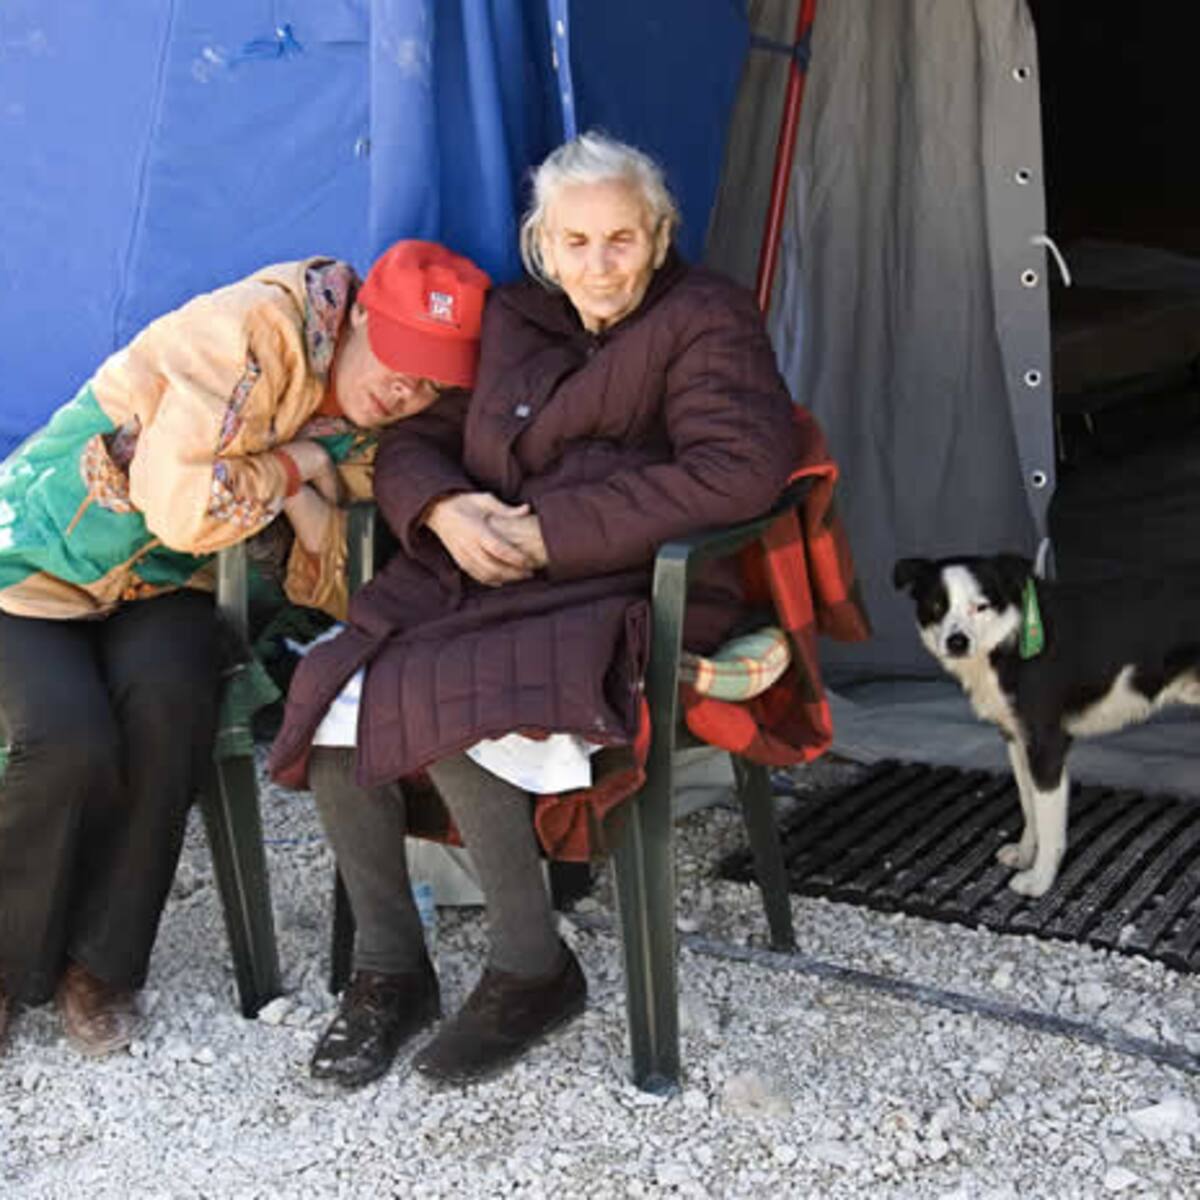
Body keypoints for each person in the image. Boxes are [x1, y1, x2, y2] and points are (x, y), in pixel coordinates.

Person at [269, 131, 817, 1089]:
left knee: (449, 687)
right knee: (335, 691)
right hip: (486, 574)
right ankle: (390, 971)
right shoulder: (515, 316)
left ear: (657, 236)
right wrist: (443, 506)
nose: (599, 265)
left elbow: (739, 471)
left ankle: (533, 968)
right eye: (576, 243)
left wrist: (549, 533)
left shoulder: (706, 318)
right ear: (542, 244)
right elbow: (416, 441)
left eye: (620, 240)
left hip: (635, 584)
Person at [0, 239, 491, 1058]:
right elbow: (183, 511)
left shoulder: (372, 420)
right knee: (68, 739)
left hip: (166, 590)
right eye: (401, 358)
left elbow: (333, 585)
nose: (407, 388)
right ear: (359, 313)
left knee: (173, 701)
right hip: (34, 572)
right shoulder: (252, 331)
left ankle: (106, 966)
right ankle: (10, 968)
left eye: (433, 378)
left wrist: (294, 488)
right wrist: (298, 467)